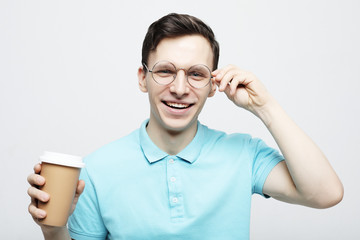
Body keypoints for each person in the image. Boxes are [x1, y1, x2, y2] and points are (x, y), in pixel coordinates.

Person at [27, 13, 343, 240]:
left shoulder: (244, 154)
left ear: (213, 84)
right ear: (143, 78)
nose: (180, 88)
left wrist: (265, 106)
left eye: (196, 73)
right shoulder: (96, 169)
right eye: (165, 71)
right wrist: (54, 231)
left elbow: (325, 193)